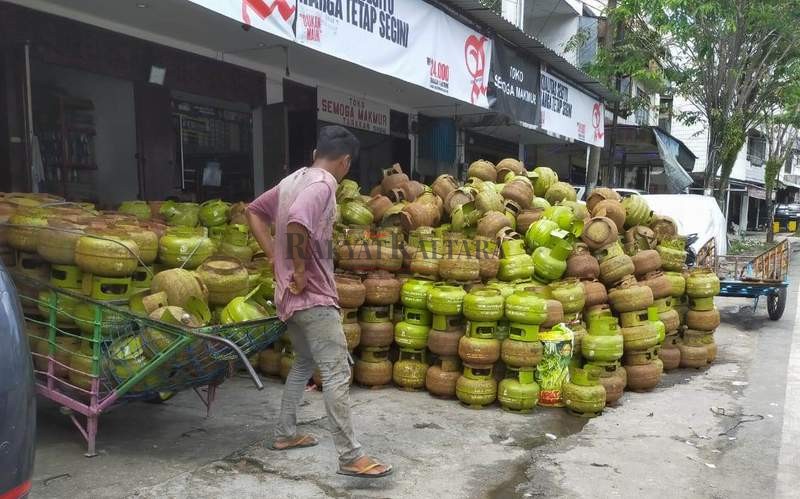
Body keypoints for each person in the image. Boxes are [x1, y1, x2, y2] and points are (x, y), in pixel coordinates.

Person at [246, 125, 393, 479]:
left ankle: (285, 434)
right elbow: (297, 223)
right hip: (312, 297)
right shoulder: (325, 184)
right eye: (348, 166)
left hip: (287, 299)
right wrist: (297, 269)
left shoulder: (293, 179)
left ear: (315, 153)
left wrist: (273, 258)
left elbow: (253, 211)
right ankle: (350, 456)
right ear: (345, 162)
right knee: (337, 371)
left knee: (303, 363)